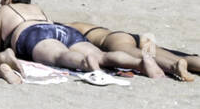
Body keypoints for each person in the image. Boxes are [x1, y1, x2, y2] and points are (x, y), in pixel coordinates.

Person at [0, 0, 165, 78]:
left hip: (33, 34)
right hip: (61, 30)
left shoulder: (5, 9)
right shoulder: (37, 8)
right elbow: (49, 25)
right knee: (101, 55)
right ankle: (139, 62)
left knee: (61, 55)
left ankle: (85, 63)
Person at [67, 23, 196, 82]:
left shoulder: (67, 27)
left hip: (115, 39)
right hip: (139, 38)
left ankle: (173, 66)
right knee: (179, 57)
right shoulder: (82, 24)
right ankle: (181, 62)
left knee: (140, 55)